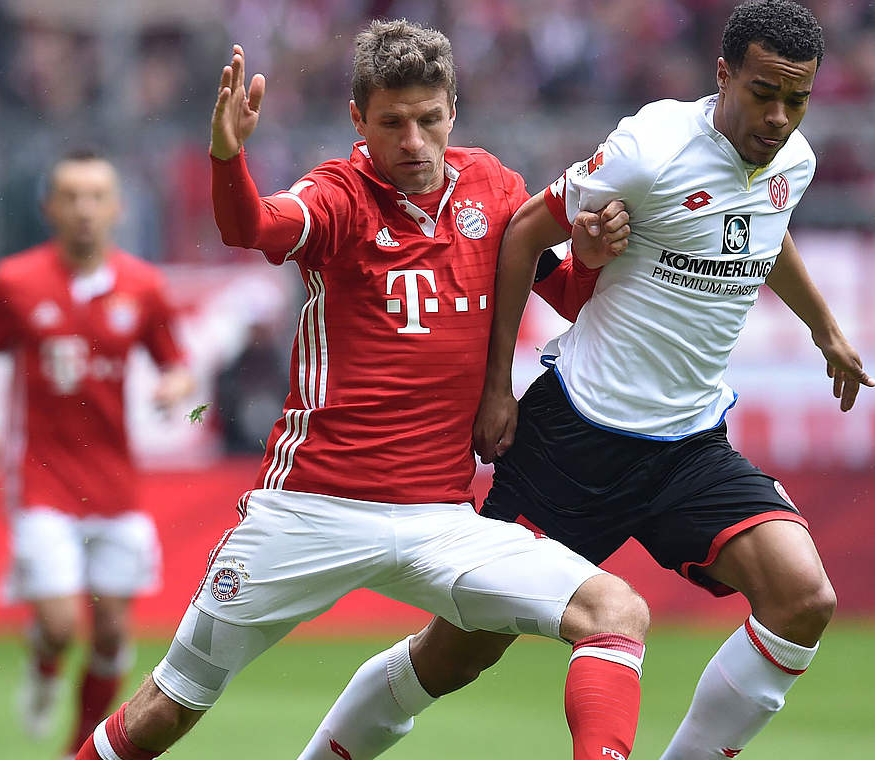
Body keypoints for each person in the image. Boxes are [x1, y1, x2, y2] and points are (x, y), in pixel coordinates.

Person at [305, 2, 875, 759]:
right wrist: (499, 386)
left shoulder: (792, 161)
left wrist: (823, 326)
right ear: (723, 75)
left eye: (796, 99)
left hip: (688, 448)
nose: (778, 117)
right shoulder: (654, 145)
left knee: (804, 599)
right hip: (572, 440)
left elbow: (762, 227)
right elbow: (522, 234)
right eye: (763, 92)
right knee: (454, 656)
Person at [74, 20, 650, 760]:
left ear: (453, 110)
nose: (413, 141)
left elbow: (569, 294)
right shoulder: (340, 195)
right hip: (310, 509)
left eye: (428, 119)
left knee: (615, 611)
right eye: (392, 123)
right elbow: (252, 224)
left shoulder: (494, 190)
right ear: (358, 120)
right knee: (168, 707)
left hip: (439, 520)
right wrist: (228, 156)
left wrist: (595, 257)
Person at [0, 149, 195, 757]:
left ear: (118, 208)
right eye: (71, 196)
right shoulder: (16, 281)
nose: (84, 209)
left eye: (96, 196)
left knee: (115, 630)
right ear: (50, 208)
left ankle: (77, 747)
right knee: (64, 625)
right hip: (41, 479)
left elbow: (179, 364)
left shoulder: (143, 286)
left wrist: (175, 387)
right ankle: (43, 670)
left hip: (115, 484)